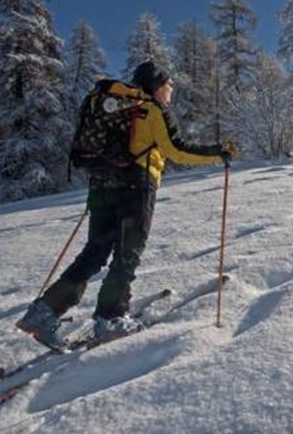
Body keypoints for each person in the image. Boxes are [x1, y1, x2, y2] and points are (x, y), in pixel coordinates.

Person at [16, 61, 234, 347]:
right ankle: (111, 318)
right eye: (169, 85)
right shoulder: (150, 110)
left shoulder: (114, 106)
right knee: (126, 254)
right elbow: (176, 150)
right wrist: (219, 153)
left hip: (101, 185)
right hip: (136, 187)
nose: (171, 91)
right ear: (157, 86)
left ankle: (43, 313)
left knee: (94, 253)